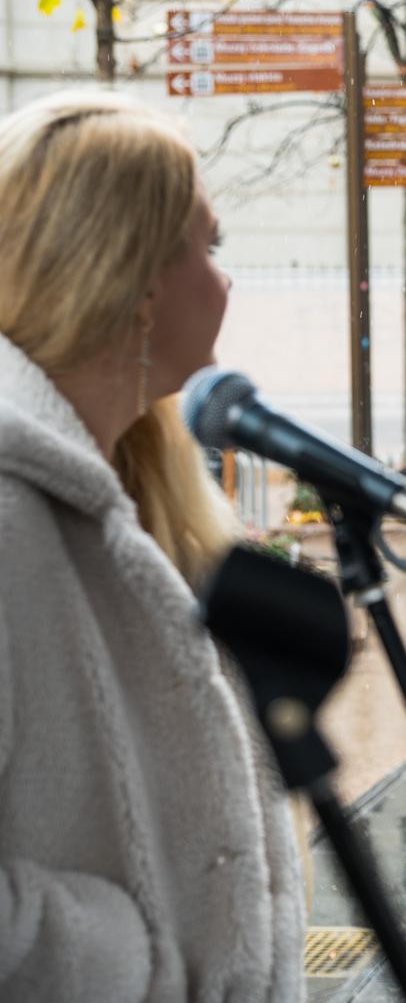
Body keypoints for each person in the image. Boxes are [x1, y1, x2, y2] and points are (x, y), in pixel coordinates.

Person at [0, 93, 305, 999]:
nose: (226, 282)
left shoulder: (137, 492)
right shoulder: (10, 525)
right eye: (207, 248)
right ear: (130, 279)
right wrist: (118, 959)